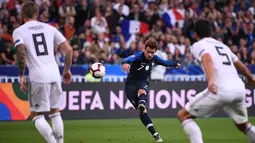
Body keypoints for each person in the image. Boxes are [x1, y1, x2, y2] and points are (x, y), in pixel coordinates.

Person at [177, 18, 255, 143]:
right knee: (243, 125)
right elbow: (238, 63)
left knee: (183, 115)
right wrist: (251, 78)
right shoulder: (222, 45)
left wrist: (211, 81)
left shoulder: (198, 45)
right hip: (239, 89)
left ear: (195, 34)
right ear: (211, 32)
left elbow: (207, 57)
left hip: (221, 89)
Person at [12, 1, 73, 143]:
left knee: (37, 115)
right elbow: (69, 50)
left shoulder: (19, 31)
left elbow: (21, 53)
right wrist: (67, 70)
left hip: (38, 77)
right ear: (37, 14)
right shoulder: (50, 28)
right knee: (55, 112)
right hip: (54, 75)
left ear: (22, 14)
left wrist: (21, 74)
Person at [122, 38, 180, 142]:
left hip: (142, 82)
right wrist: (125, 64)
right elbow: (126, 60)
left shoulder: (155, 59)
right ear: (144, 49)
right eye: (148, 51)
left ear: (155, 51)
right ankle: (154, 133)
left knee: (142, 91)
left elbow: (166, 63)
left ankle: (142, 103)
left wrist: (175, 64)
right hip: (130, 86)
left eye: (152, 52)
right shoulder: (138, 56)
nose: (149, 54)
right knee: (142, 113)